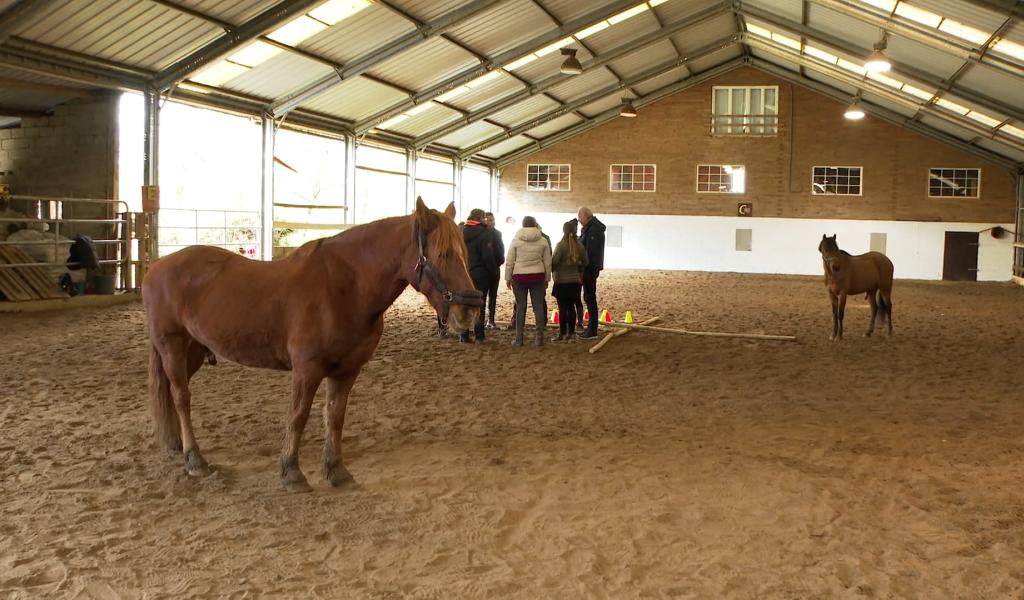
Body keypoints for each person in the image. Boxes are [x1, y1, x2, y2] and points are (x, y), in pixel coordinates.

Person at [505, 216, 551, 347]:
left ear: (522, 224)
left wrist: (508, 278)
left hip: (519, 277)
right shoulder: (543, 240)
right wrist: (547, 278)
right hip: (538, 276)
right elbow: (547, 262)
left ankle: (519, 339)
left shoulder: (515, 240)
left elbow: (509, 261)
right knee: (538, 308)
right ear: (535, 224)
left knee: (521, 308)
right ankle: (539, 338)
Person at [461, 208, 500, 343]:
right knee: (479, 305)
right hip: (480, 273)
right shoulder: (485, 234)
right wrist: (493, 271)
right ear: (480, 218)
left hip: (464, 273)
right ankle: (479, 336)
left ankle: (464, 335)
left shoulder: (461, 232)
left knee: (464, 304)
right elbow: (487, 256)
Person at [551, 219, 588, 343]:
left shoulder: (560, 245)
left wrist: (553, 269)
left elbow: (554, 261)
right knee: (572, 307)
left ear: (563, 231)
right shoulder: (579, 245)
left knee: (562, 308)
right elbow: (586, 261)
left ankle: (562, 333)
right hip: (575, 281)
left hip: (561, 281)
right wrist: (578, 268)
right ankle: (571, 334)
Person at [577, 206, 606, 339]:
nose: (578, 219)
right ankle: (591, 327)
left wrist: (583, 269)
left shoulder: (593, 230)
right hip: (589, 268)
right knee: (588, 297)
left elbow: (589, 253)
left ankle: (592, 329)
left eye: (580, 216)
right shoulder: (590, 229)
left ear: (586, 216)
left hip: (589, 269)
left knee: (590, 297)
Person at [482, 212, 504, 329]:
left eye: (492, 219)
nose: (491, 222)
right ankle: (483, 319)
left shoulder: (498, 234)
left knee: (493, 296)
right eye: (489, 220)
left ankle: (491, 319)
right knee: (482, 296)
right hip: (484, 271)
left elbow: (501, 253)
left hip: (494, 270)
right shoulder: (481, 234)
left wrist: (496, 264)